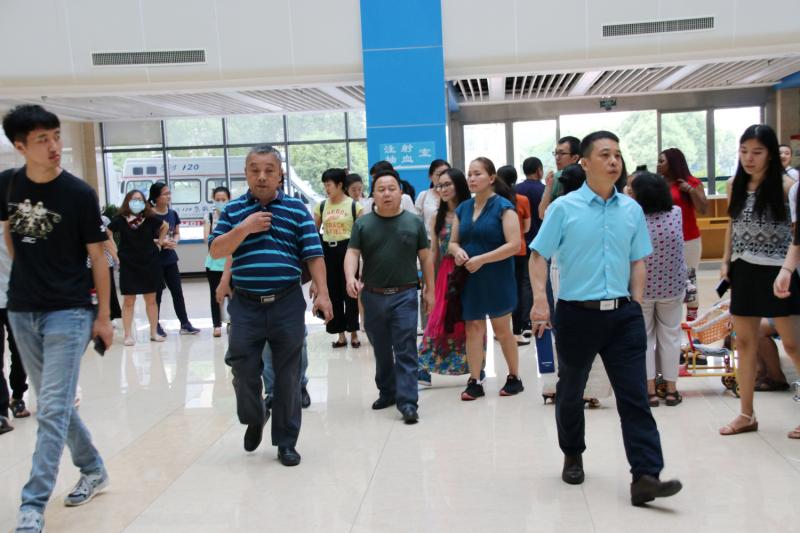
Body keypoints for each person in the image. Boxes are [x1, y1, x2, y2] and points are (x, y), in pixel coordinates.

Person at [530, 130, 682, 506]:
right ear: (584, 162)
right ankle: (573, 453)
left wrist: (636, 303)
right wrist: (540, 301)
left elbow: (638, 259)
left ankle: (645, 476)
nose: (613, 160)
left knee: (635, 397)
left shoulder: (631, 209)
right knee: (571, 390)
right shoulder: (563, 208)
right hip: (576, 315)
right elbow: (538, 255)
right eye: (604, 154)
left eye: (617, 154)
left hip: (623, 316)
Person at [1, 104, 114, 532]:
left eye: (56, 136)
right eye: (42, 140)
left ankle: (32, 505)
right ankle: (94, 468)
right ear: (20, 147)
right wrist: (28, 273)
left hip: (70, 310)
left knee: (49, 407)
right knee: (56, 404)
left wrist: (104, 317)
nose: (54, 146)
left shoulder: (78, 193)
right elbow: (9, 232)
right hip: (22, 308)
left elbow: (98, 258)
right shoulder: (8, 184)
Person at [209, 144, 332, 466]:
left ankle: (286, 442)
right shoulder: (233, 210)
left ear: (280, 175)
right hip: (246, 305)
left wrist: (323, 293)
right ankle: (255, 416)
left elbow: (313, 254)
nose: (262, 176)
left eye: (269, 170)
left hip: (285, 303)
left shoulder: (296, 210)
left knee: (288, 375)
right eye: (255, 170)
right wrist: (245, 228)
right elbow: (217, 250)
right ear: (246, 174)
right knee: (242, 367)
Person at [720, 124, 800, 436]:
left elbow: (796, 233)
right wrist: (726, 260)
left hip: (779, 271)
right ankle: (746, 414)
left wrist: (788, 269)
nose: (749, 158)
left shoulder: (787, 186)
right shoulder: (734, 184)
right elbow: (732, 223)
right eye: (744, 152)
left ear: (770, 154)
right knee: (744, 342)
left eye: (757, 152)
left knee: (792, 343)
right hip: (744, 270)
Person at [344, 168, 434, 424]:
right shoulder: (363, 224)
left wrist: (430, 289)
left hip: (405, 294)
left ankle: (408, 402)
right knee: (381, 349)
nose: (386, 194)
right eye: (381, 189)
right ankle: (387, 392)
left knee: (405, 348)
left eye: (391, 189)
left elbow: (425, 257)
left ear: (400, 192)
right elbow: (352, 253)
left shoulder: (413, 222)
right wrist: (350, 278)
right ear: (373, 194)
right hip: (373, 296)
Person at [449, 157, 524, 400]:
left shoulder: (504, 207)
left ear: (491, 178)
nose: (471, 178)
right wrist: (457, 251)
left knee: (502, 330)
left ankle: (514, 377)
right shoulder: (463, 208)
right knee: (473, 328)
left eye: (477, 173)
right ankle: (474, 380)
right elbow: (453, 241)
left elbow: (514, 245)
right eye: (469, 174)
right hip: (470, 277)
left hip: (497, 276)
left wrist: (482, 259)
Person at [629, 171, 687, 407]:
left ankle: (650, 391)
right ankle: (671, 390)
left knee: (644, 338)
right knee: (671, 337)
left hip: (641, 289)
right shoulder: (676, 213)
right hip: (672, 287)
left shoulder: (634, 219)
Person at [417, 168, 475, 384]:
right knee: (438, 318)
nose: (442, 189)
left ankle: (474, 366)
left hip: (470, 271)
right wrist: (427, 283)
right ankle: (424, 366)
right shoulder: (436, 216)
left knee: (471, 320)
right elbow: (433, 252)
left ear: (459, 185)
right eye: (439, 185)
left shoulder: (472, 212)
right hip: (446, 273)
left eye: (447, 184)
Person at [107, 190, 168, 345]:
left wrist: (160, 243)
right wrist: (115, 255)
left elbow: (165, 226)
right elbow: (107, 234)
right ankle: (128, 335)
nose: (137, 202)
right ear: (128, 201)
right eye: (134, 199)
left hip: (150, 262)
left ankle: (154, 332)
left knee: (151, 299)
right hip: (128, 263)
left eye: (140, 199)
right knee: (129, 300)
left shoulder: (149, 218)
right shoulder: (120, 219)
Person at [656, 148, 708, 321]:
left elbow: (703, 209)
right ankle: (671, 316)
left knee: (689, 277)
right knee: (668, 278)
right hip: (665, 240)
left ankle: (692, 317)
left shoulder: (691, 182)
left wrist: (690, 190)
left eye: (661, 161)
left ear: (673, 162)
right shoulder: (658, 184)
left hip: (689, 239)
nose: (658, 165)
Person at [314, 168, 363, 348]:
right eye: (325, 185)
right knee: (333, 293)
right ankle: (340, 334)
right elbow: (313, 234)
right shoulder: (321, 206)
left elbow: (361, 236)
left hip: (348, 250)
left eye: (329, 185)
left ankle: (354, 333)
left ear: (340, 185)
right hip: (328, 251)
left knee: (350, 293)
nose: (326, 188)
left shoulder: (355, 206)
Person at [147, 182, 200, 336]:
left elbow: (176, 232)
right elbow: (144, 238)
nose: (168, 196)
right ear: (156, 197)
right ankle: (155, 325)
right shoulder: (149, 215)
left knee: (177, 292)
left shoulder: (172, 213)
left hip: (170, 259)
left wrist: (175, 241)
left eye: (169, 193)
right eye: (165, 194)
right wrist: (160, 242)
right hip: (155, 260)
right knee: (157, 295)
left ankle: (185, 324)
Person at [497, 165, 532, 345]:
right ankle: (517, 329)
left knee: (500, 289)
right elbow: (526, 228)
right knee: (519, 288)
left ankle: (501, 330)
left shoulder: (495, 201)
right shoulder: (522, 200)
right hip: (519, 249)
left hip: (498, 251)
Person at [0, 219, 29, 435]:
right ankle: (1, 411)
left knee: (20, 353)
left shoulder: (16, 225)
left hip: (17, 299)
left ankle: (17, 396)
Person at [514, 157, 546, 337]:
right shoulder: (544, 190)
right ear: (539, 170)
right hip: (540, 243)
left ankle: (519, 321)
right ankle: (529, 320)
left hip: (519, 243)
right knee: (533, 282)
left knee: (520, 282)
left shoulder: (516, 190)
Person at [204, 186, 231, 337]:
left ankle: (233, 321)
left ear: (229, 199)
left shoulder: (233, 215)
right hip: (214, 263)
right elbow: (207, 239)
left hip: (231, 261)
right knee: (215, 294)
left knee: (234, 293)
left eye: (223, 199)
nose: (221, 202)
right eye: (218, 199)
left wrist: (219, 239)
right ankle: (216, 325)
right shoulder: (209, 217)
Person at [538, 136, 581, 220]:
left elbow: (542, 213)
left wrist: (548, 187)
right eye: (556, 153)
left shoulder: (557, 177)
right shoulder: (590, 176)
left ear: (575, 157)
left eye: (562, 153)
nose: (557, 158)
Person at [416, 159, 451, 240]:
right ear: (430, 176)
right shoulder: (424, 195)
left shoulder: (454, 195)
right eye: (438, 174)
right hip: (428, 240)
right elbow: (416, 222)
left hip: (450, 240)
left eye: (446, 173)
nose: (442, 177)